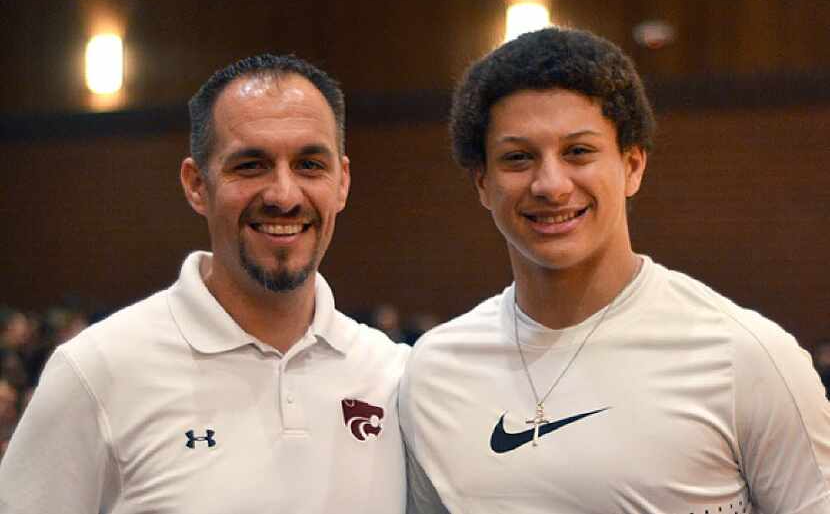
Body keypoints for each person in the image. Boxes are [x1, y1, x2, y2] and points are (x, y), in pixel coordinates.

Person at [399, 27, 830, 514]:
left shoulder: (746, 358)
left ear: (632, 165)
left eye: (578, 152)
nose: (551, 184)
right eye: (518, 158)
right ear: (482, 183)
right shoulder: (435, 371)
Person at [0, 54, 409, 513]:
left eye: (309, 164)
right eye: (251, 165)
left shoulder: (395, 377)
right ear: (196, 184)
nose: (283, 195)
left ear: (342, 182)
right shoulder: (97, 372)